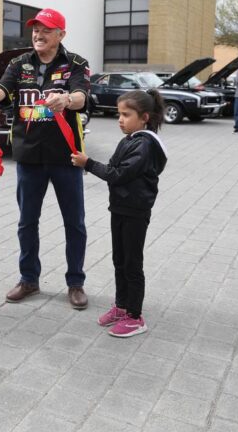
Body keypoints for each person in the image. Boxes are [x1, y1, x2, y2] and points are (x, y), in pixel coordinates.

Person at [0, 8, 91, 309]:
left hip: (66, 156)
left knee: (75, 223)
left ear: (61, 34)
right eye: (35, 29)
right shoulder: (19, 64)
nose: (38, 34)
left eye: (46, 29)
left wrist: (66, 99)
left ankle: (75, 282)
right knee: (27, 222)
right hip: (29, 156)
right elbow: (1, 90)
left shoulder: (76, 63)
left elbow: (82, 97)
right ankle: (29, 279)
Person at [70, 90, 167, 338]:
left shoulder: (145, 145)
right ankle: (122, 306)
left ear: (144, 117)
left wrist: (88, 163)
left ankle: (135, 317)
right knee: (119, 260)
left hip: (135, 212)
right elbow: (113, 167)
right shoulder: (128, 140)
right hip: (120, 208)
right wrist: (98, 166)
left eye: (126, 114)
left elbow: (118, 174)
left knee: (132, 264)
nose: (120, 120)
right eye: (119, 114)